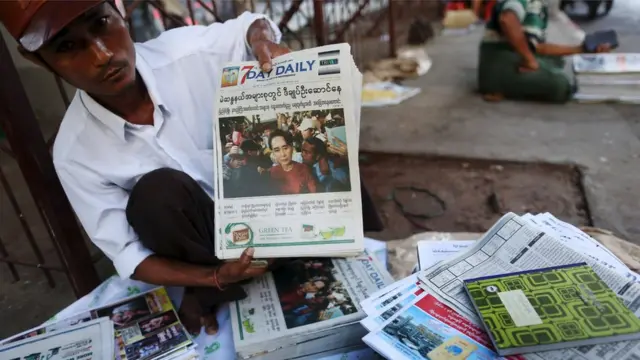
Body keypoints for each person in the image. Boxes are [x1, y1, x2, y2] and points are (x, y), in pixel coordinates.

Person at [0, 0, 384, 334]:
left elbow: (251, 24)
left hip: (283, 217)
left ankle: (341, 251)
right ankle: (225, 289)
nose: (102, 55)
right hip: (216, 255)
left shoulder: (187, 54)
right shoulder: (75, 152)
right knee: (156, 195)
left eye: (101, 24)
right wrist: (213, 278)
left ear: (118, 10)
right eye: (68, 47)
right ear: (39, 60)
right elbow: (131, 256)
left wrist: (263, 41)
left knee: (316, 145)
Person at [478, 0, 612, 103]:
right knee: (560, 87)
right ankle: (498, 86)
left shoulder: (539, 5)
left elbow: (539, 47)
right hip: (498, 60)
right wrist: (529, 59)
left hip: (512, 55)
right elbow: (507, 19)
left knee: (557, 62)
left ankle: (509, 83)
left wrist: (582, 49)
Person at [268, 130, 318, 195]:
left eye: (285, 148)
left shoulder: (304, 169)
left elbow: (314, 195)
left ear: (292, 147)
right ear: (273, 153)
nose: (283, 154)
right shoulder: (272, 172)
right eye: (277, 150)